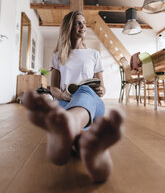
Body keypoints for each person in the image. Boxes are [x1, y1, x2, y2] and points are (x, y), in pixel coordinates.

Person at [23, 10, 124, 183]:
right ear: (69, 27)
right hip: (65, 101)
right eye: (78, 23)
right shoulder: (58, 56)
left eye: (84, 22)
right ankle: (90, 153)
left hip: (90, 100)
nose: (82, 26)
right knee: (79, 135)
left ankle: (68, 127)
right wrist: (62, 95)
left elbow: (102, 86)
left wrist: (101, 90)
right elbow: (53, 87)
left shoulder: (94, 54)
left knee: (84, 92)